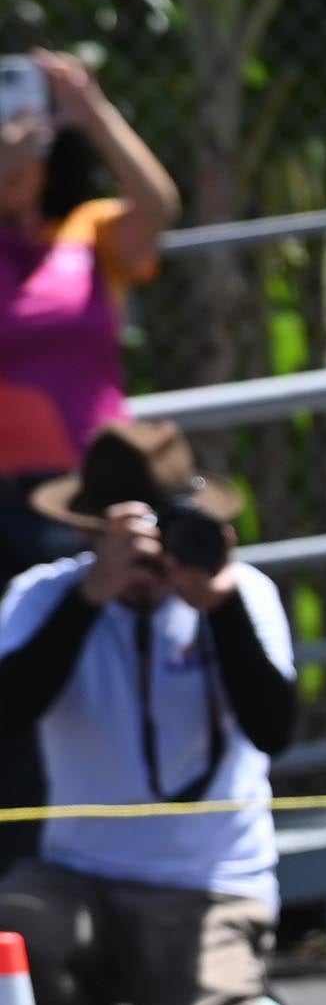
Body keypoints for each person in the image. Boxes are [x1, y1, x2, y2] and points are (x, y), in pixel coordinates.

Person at [0, 420, 326, 1005]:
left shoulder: (242, 595)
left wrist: (217, 606)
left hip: (209, 889)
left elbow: (273, 729)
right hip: (82, 883)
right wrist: (92, 596)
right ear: (90, 533)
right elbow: (11, 711)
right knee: (12, 933)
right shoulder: (45, 595)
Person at [0, 50, 179, 869]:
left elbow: (159, 205)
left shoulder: (91, 232)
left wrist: (89, 107)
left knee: (99, 682)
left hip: (85, 505)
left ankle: (119, 865)